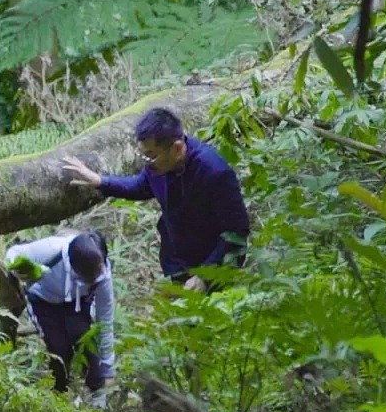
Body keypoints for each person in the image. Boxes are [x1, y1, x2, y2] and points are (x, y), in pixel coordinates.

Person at [62, 106, 249, 292]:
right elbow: (141, 186)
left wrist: (206, 276)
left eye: (150, 156)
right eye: (142, 154)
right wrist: (101, 181)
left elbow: (237, 232)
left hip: (214, 266)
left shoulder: (214, 172)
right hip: (178, 263)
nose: (146, 162)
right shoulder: (159, 167)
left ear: (176, 148)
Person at [5, 230, 115, 396]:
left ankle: (98, 393)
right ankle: (58, 393)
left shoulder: (103, 276)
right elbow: (13, 254)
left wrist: (108, 369)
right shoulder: (51, 250)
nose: (96, 276)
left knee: (87, 341)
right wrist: (21, 268)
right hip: (43, 301)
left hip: (77, 302)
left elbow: (105, 322)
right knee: (59, 350)